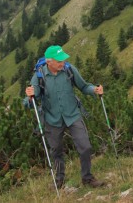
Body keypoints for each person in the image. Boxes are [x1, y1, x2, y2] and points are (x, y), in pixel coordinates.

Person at [25, 45, 106, 188]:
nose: (62, 63)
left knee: (85, 147)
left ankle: (87, 178)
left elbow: (84, 86)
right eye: (59, 60)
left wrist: (94, 89)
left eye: (63, 59)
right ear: (49, 62)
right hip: (52, 119)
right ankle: (59, 180)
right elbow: (32, 99)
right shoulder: (39, 76)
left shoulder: (69, 70)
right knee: (56, 151)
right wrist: (29, 98)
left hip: (73, 114)